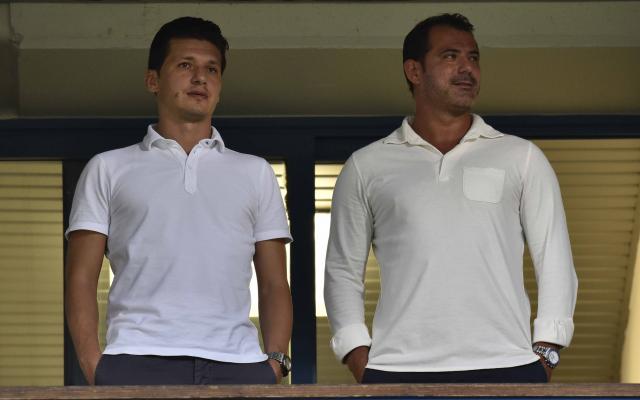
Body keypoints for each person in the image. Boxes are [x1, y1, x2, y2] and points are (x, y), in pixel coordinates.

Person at [324, 13, 577, 384]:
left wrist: (547, 349)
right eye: (450, 56)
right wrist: (356, 354)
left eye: (473, 57)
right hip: (397, 369)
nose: (467, 69)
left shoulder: (521, 157)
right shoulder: (366, 166)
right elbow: (343, 270)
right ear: (414, 71)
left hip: (508, 365)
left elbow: (554, 257)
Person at [65, 16, 292, 385]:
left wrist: (276, 363)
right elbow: (80, 278)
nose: (200, 78)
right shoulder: (108, 168)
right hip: (135, 360)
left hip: (238, 363)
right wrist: (95, 366)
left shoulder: (256, 172)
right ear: (153, 80)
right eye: (186, 65)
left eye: (211, 69)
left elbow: (274, 284)